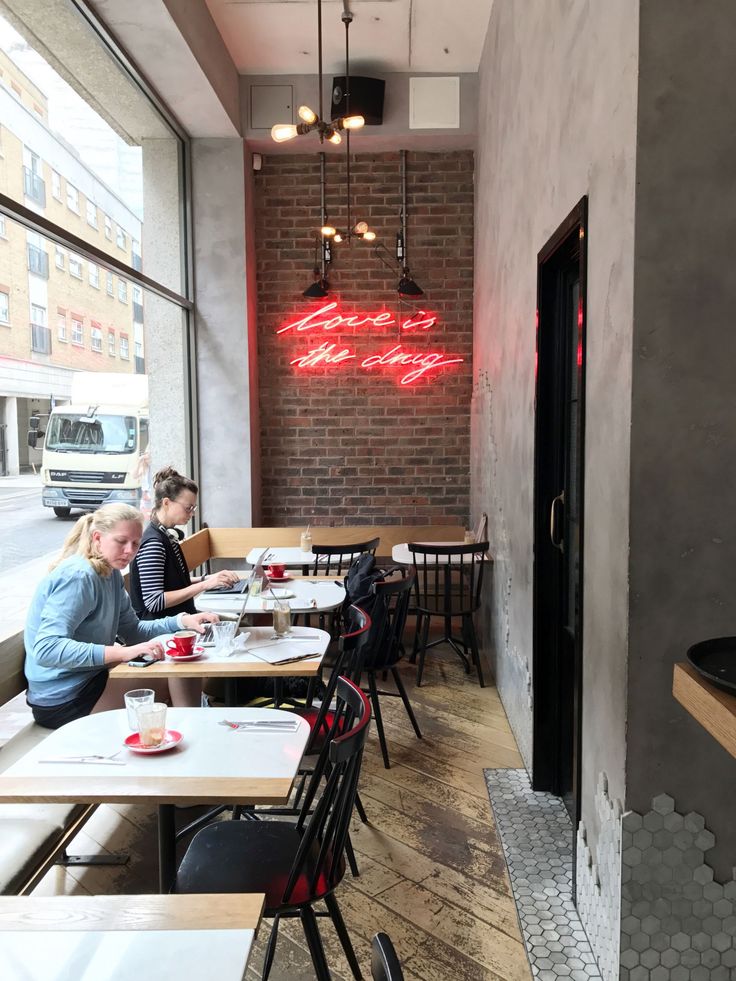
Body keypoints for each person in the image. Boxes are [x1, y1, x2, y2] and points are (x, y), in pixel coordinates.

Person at [24, 503, 218, 729]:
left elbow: (133, 631)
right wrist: (122, 652)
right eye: (121, 541)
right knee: (179, 672)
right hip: (61, 699)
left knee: (180, 668)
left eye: (136, 543)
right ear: (97, 538)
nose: (130, 551)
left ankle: (189, 734)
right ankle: (194, 734)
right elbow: (46, 648)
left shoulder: (111, 574)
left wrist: (182, 621)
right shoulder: (79, 577)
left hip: (88, 681)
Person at [129, 467, 239, 620]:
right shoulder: (154, 545)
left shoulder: (167, 535)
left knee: (234, 621)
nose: (192, 514)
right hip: (162, 628)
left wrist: (208, 579)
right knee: (234, 623)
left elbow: (172, 582)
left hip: (181, 619)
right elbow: (154, 602)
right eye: (188, 508)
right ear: (166, 502)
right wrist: (204, 585)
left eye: (193, 508)